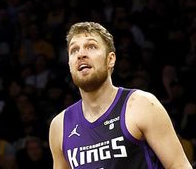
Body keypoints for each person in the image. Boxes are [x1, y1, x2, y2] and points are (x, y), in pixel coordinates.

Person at [49, 21, 190, 169]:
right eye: (74, 50)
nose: (81, 54)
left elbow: (179, 165)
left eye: (91, 47)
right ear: (70, 65)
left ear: (110, 59)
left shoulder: (142, 104)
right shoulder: (60, 125)